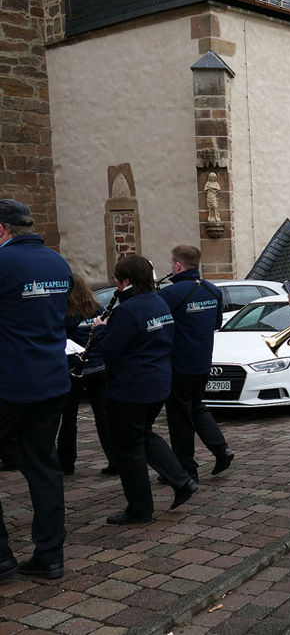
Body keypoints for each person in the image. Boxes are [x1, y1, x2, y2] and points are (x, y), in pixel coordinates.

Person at [0, 199, 71, 580]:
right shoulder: (57, 262)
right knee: (44, 467)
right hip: (51, 379)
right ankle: (50, 555)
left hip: (9, 383)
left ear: (1, 230)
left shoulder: (4, 263)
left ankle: (2, 558)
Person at [100, 255, 198, 524]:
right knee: (143, 435)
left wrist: (100, 331)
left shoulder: (127, 310)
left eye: (118, 280)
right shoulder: (159, 302)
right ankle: (182, 480)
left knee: (128, 449)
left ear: (126, 281)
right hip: (158, 382)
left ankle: (140, 509)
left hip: (131, 388)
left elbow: (111, 351)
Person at [159, 245, 233, 481]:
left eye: (172, 263)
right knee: (196, 407)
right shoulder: (212, 290)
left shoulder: (171, 293)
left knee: (179, 417)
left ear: (178, 265)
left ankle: (185, 467)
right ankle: (221, 449)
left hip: (178, 363)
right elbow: (215, 324)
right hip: (203, 361)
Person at [58, 275, 117, 476]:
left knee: (69, 418)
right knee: (104, 417)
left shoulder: (66, 314)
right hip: (98, 368)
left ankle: (66, 462)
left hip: (75, 369)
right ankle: (114, 460)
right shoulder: (98, 310)